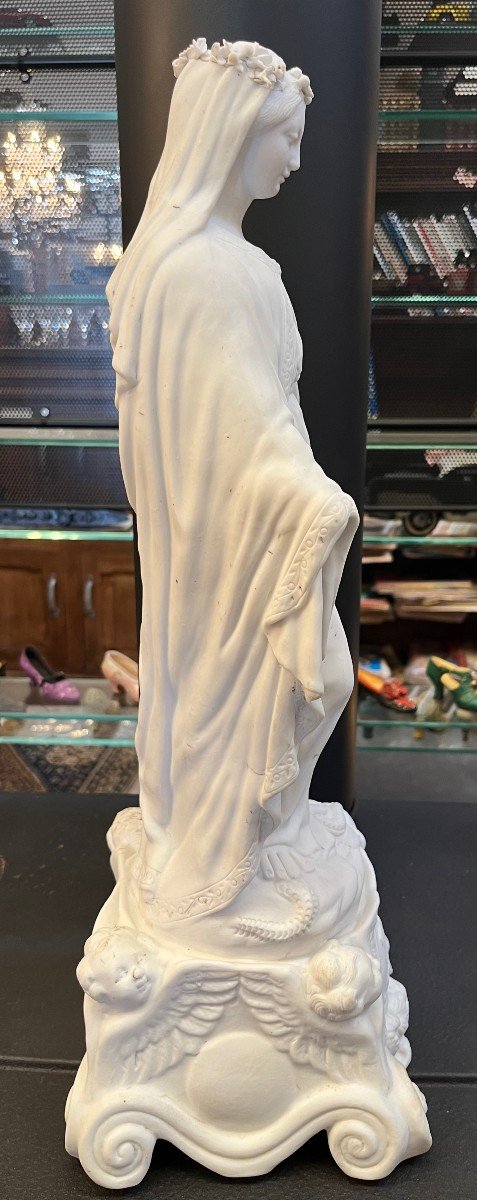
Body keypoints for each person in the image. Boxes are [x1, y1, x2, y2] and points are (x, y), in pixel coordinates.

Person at [106, 39, 359, 918]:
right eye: (284, 138)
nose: (295, 159)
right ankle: (228, 847)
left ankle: (265, 828)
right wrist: (310, 499)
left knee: (317, 681)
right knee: (309, 680)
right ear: (232, 134)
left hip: (246, 525)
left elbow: (259, 413)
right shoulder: (200, 271)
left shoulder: (231, 263)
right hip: (228, 543)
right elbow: (232, 432)